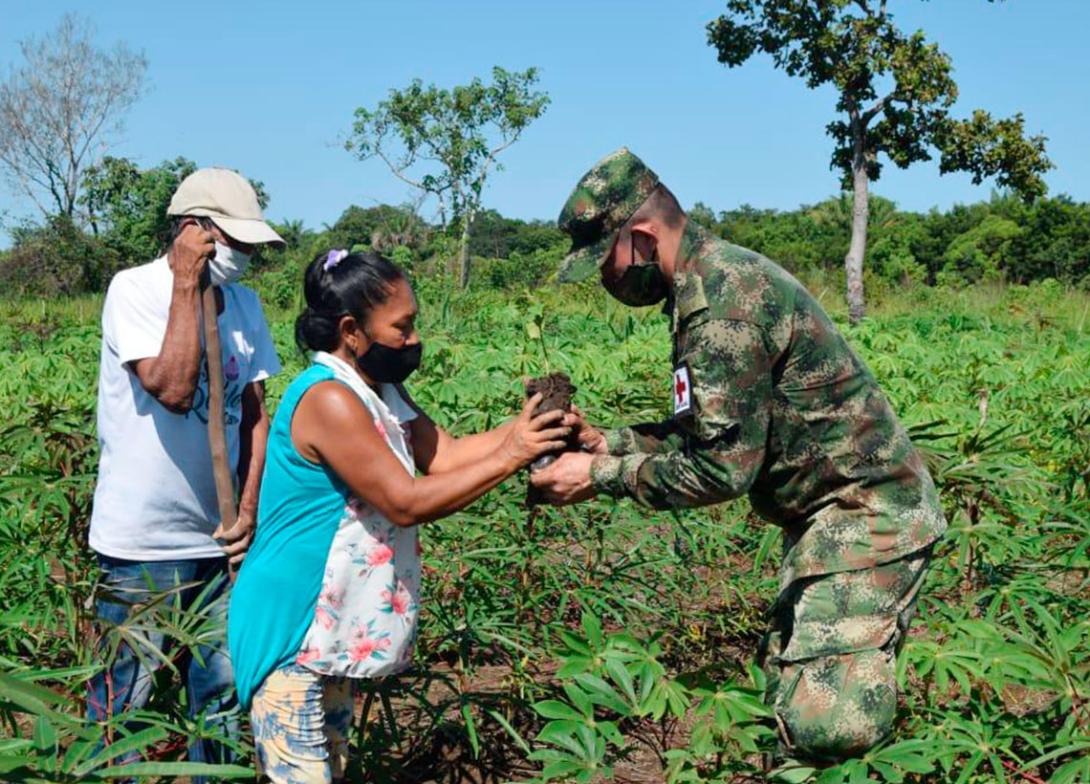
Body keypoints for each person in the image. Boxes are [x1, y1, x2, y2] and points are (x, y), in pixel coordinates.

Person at [531, 148, 947, 763]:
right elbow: (713, 430)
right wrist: (611, 442)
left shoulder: (725, 303)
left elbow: (723, 469)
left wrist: (598, 475)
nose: (604, 280)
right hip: (828, 518)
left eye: (605, 262)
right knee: (788, 694)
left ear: (642, 239)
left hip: (869, 515)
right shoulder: (707, 281)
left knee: (826, 725)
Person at [228, 249, 571, 783]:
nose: (412, 339)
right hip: (291, 625)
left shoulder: (377, 388)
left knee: (332, 770)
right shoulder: (328, 399)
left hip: (328, 629)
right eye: (402, 327)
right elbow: (405, 500)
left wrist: (531, 425)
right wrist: (515, 454)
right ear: (351, 330)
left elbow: (449, 455)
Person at [88, 167, 283, 776]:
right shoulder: (136, 289)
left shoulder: (244, 305)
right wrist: (184, 285)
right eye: (236, 240)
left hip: (219, 544)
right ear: (194, 230)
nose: (246, 255)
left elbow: (254, 417)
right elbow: (172, 389)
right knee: (121, 705)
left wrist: (248, 513)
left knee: (221, 704)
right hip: (142, 548)